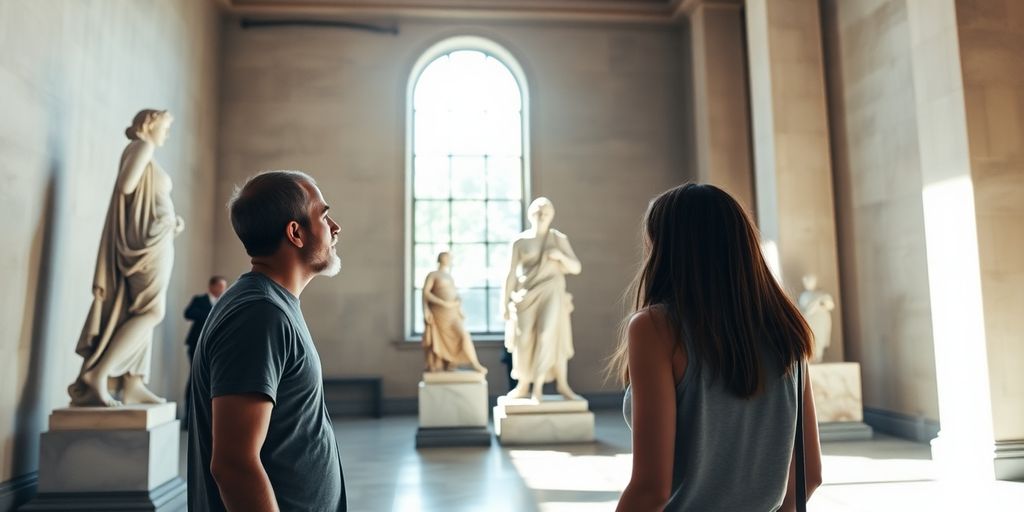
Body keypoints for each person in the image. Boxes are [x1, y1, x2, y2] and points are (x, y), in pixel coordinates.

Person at [611, 183, 823, 511]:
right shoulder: (786, 327)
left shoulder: (656, 328)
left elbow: (651, 489)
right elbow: (809, 476)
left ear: (669, 250)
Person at [187, 170, 346, 512]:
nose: (335, 228)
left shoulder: (269, 304)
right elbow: (234, 465)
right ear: (295, 233)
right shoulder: (259, 314)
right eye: (324, 215)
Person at [69, 109, 182, 407]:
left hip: (157, 239)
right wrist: (160, 222)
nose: (167, 135)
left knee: (137, 311)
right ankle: (99, 374)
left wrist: (170, 221)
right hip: (147, 245)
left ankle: (132, 383)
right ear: (151, 124)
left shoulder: (144, 151)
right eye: (165, 128)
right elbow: (127, 186)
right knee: (150, 312)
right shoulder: (143, 147)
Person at [502, 197, 582, 401]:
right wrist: (504, 302)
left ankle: (539, 387)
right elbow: (511, 273)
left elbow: (576, 267)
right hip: (526, 295)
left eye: (546, 211)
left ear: (552, 215)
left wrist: (560, 256)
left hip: (551, 291)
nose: (542, 215)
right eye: (538, 211)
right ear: (531, 214)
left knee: (548, 333)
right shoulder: (520, 242)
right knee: (525, 337)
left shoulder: (558, 239)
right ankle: (523, 385)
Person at [421, 252, 487, 373]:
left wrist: (458, 306)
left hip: (452, 313)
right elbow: (425, 293)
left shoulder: (449, 276)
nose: (449, 259)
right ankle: (447, 362)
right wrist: (436, 305)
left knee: (463, 335)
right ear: (441, 259)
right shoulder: (433, 274)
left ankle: (474, 363)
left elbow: (453, 293)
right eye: (447, 257)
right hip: (439, 313)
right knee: (441, 339)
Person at [181, 275, 228, 426]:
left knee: (212, 381)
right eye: (220, 286)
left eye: (224, 287)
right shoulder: (199, 300)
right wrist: (210, 312)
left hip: (216, 347)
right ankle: (189, 418)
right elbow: (188, 314)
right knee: (194, 378)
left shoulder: (225, 302)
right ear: (212, 286)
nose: (223, 290)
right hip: (196, 344)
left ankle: (206, 421)